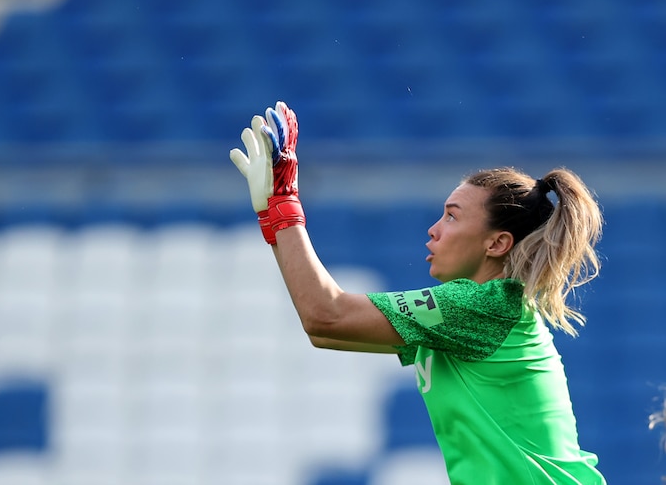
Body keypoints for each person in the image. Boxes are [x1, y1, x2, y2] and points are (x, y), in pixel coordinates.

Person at [230, 101, 607, 484]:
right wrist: (272, 217)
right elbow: (324, 331)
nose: (434, 229)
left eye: (452, 216)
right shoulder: (471, 314)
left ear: (496, 243)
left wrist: (284, 205)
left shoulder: (478, 307)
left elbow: (327, 314)